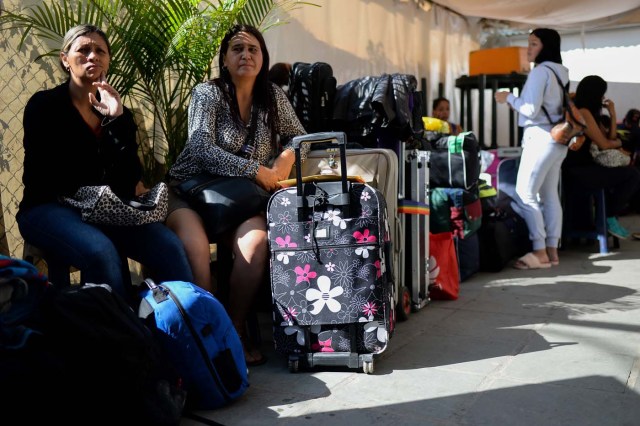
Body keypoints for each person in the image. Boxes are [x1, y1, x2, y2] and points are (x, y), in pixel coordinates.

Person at [17, 24, 194, 300]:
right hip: (48, 208)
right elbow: (48, 175)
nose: (93, 56)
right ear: (65, 59)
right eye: (83, 50)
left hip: (103, 210)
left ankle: (184, 329)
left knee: (168, 245)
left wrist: (115, 120)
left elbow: (128, 178)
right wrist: (101, 187)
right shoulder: (44, 105)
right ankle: (119, 337)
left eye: (100, 50)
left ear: (108, 60)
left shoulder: (117, 112)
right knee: (101, 251)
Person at [166, 24, 307, 366]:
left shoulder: (272, 96)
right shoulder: (207, 93)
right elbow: (199, 148)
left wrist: (286, 158)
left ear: (263, 58)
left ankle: (234, 329)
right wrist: (256, 170)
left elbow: (301, 138)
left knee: (256, 244)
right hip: (189, 193)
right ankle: (208, 335)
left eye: (253, 49)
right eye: (237, 49)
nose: (245, 55)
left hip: (239, 201)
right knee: (198, 256)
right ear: (225, 59)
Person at [495, 28, 568, 269]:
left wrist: (508, 97)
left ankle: (539, 251)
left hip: (539, 138)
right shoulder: (561, 71)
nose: (529, 49)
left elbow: (528, 110)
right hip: (558, 139)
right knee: (549, 195)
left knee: (525, 193)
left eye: (534, 44)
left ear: (545, 46)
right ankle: (552, 251)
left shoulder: (540, 72)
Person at [562, 75, 640, 239]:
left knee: (627, 174)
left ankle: (607, 216)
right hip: (578, 171)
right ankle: (609, 216)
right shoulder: (583, 112)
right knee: (632, 175)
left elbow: (609, 137)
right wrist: (618, 142)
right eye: (602, 94)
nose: (603, 98)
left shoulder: (591, 113)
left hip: (587, 168)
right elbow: (606, 144)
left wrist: (612, 114)